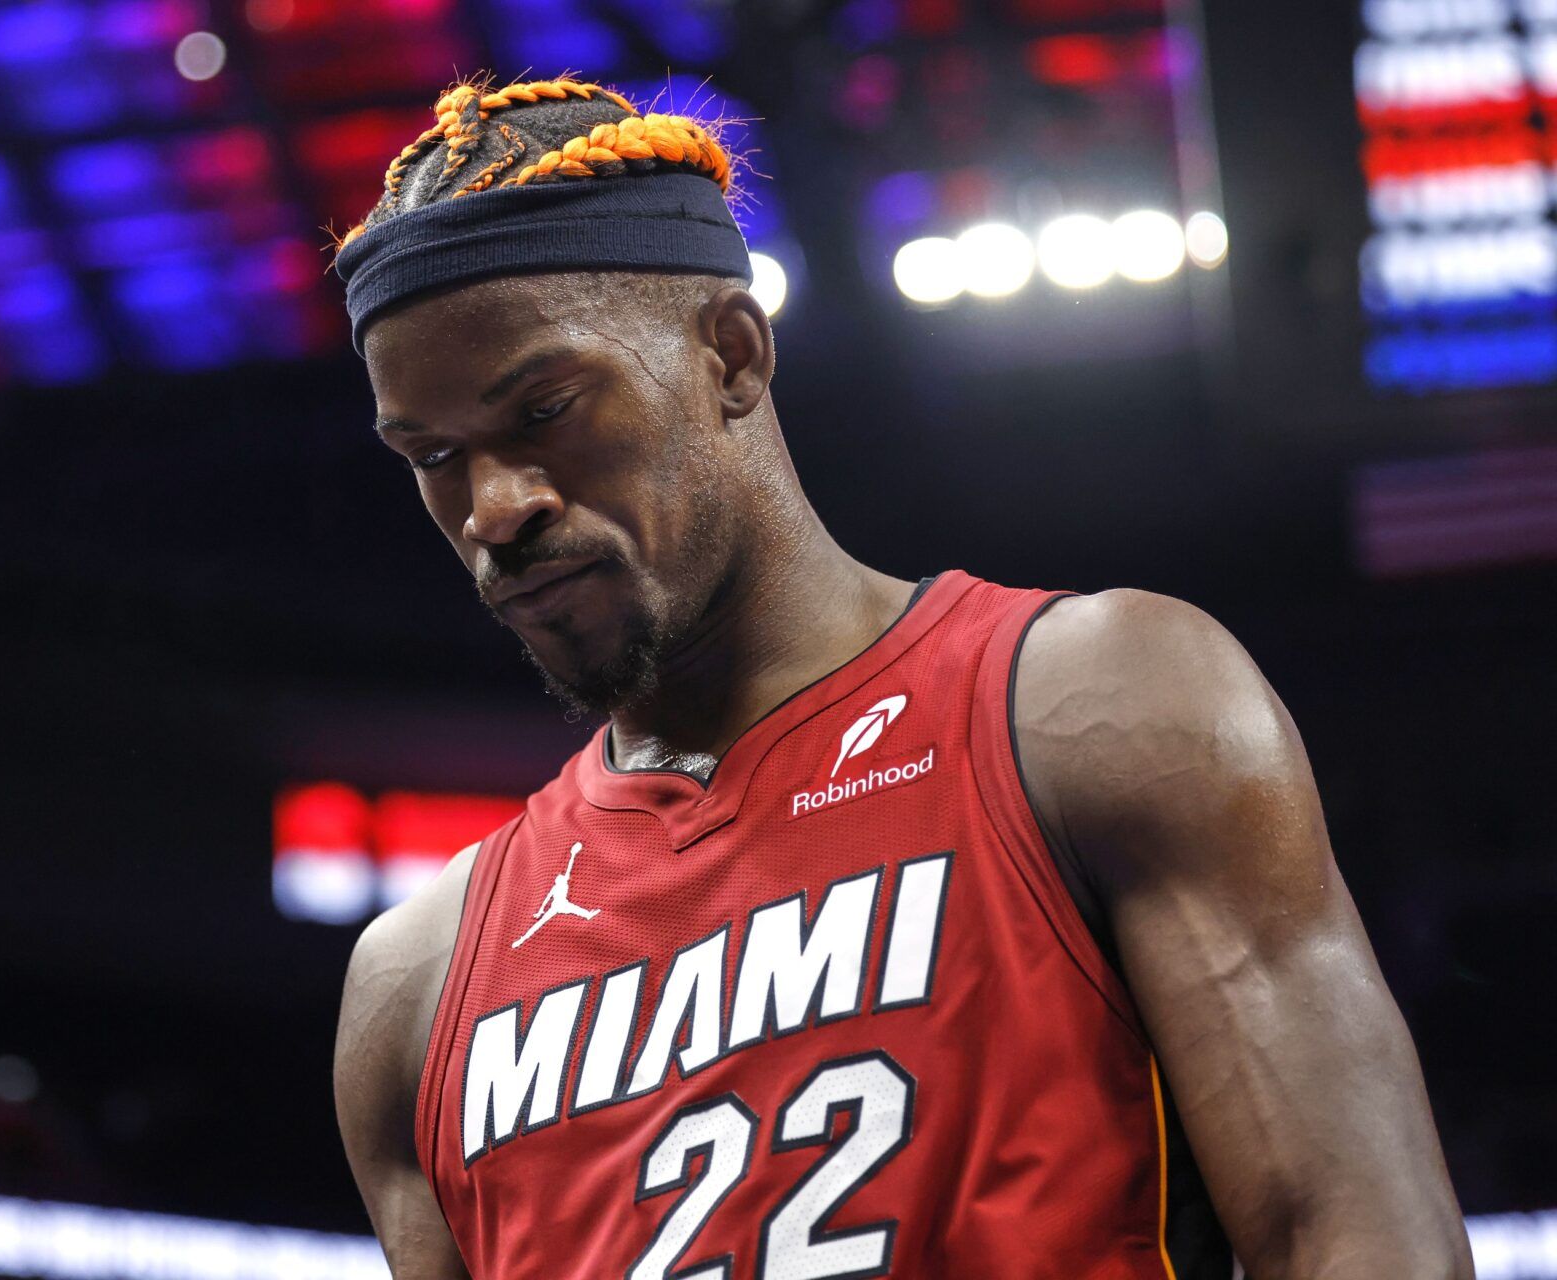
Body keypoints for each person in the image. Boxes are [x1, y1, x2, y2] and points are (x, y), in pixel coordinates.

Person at [329, 77, 1472, 1279]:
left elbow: (1354, 1239)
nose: (495, 508)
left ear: (730, 353)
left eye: (547, 409)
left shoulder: (1097, 710)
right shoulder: (418, 982)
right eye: (435, 456)